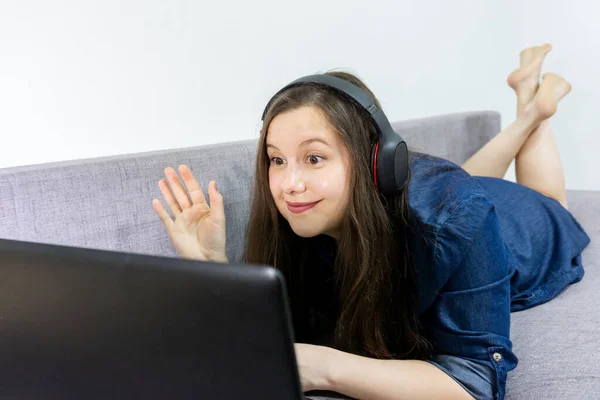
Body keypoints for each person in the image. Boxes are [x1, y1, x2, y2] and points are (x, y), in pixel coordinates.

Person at [151, 44, 591, 400]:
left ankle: (535, 110)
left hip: (517, 225)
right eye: (277, 160)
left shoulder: (457, 216)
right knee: (469, 180)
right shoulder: (299, 223)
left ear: (374, 164)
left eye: (314, 157)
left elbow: (476, 381)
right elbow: (255, 342)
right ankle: (531, 102)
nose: (289, 183)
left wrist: (322, 367)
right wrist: (212, 264)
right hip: (449, 198)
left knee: (551, 200)